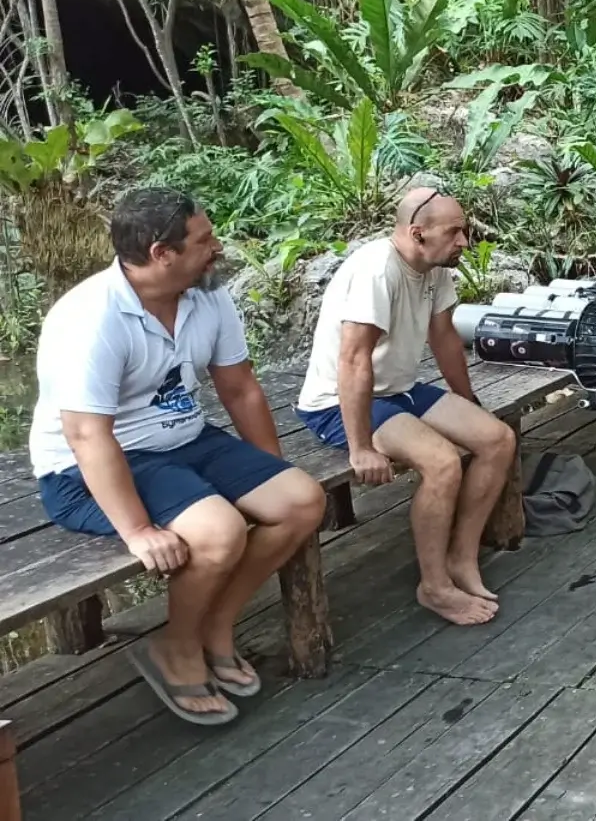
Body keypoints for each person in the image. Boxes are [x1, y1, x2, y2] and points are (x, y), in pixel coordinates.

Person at [30, 188, 328, 725]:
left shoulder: (206, 293)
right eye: (204, 239)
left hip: (185, 438)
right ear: (159, 252)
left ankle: (214, 626)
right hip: (89, 467)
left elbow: (240, 389)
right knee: (219, 531)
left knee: (301, 501)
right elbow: (87, 436)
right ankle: (177, 646)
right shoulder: (90, 318)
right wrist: (140, 531)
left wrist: (269, 471)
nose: (217, 246)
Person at [295, 187, 517, 628]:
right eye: (455, 232)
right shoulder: (378, 271)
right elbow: (354, 359)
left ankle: (461, 558)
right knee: (442, 462)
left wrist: (467, 401)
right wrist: (360, 447)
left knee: (497, 438)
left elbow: (446, 339)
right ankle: (433, 586)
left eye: (465, 230)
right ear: (418, 233)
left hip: (397, 389)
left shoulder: (435, 269)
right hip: (337, 402)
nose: (464, 241)